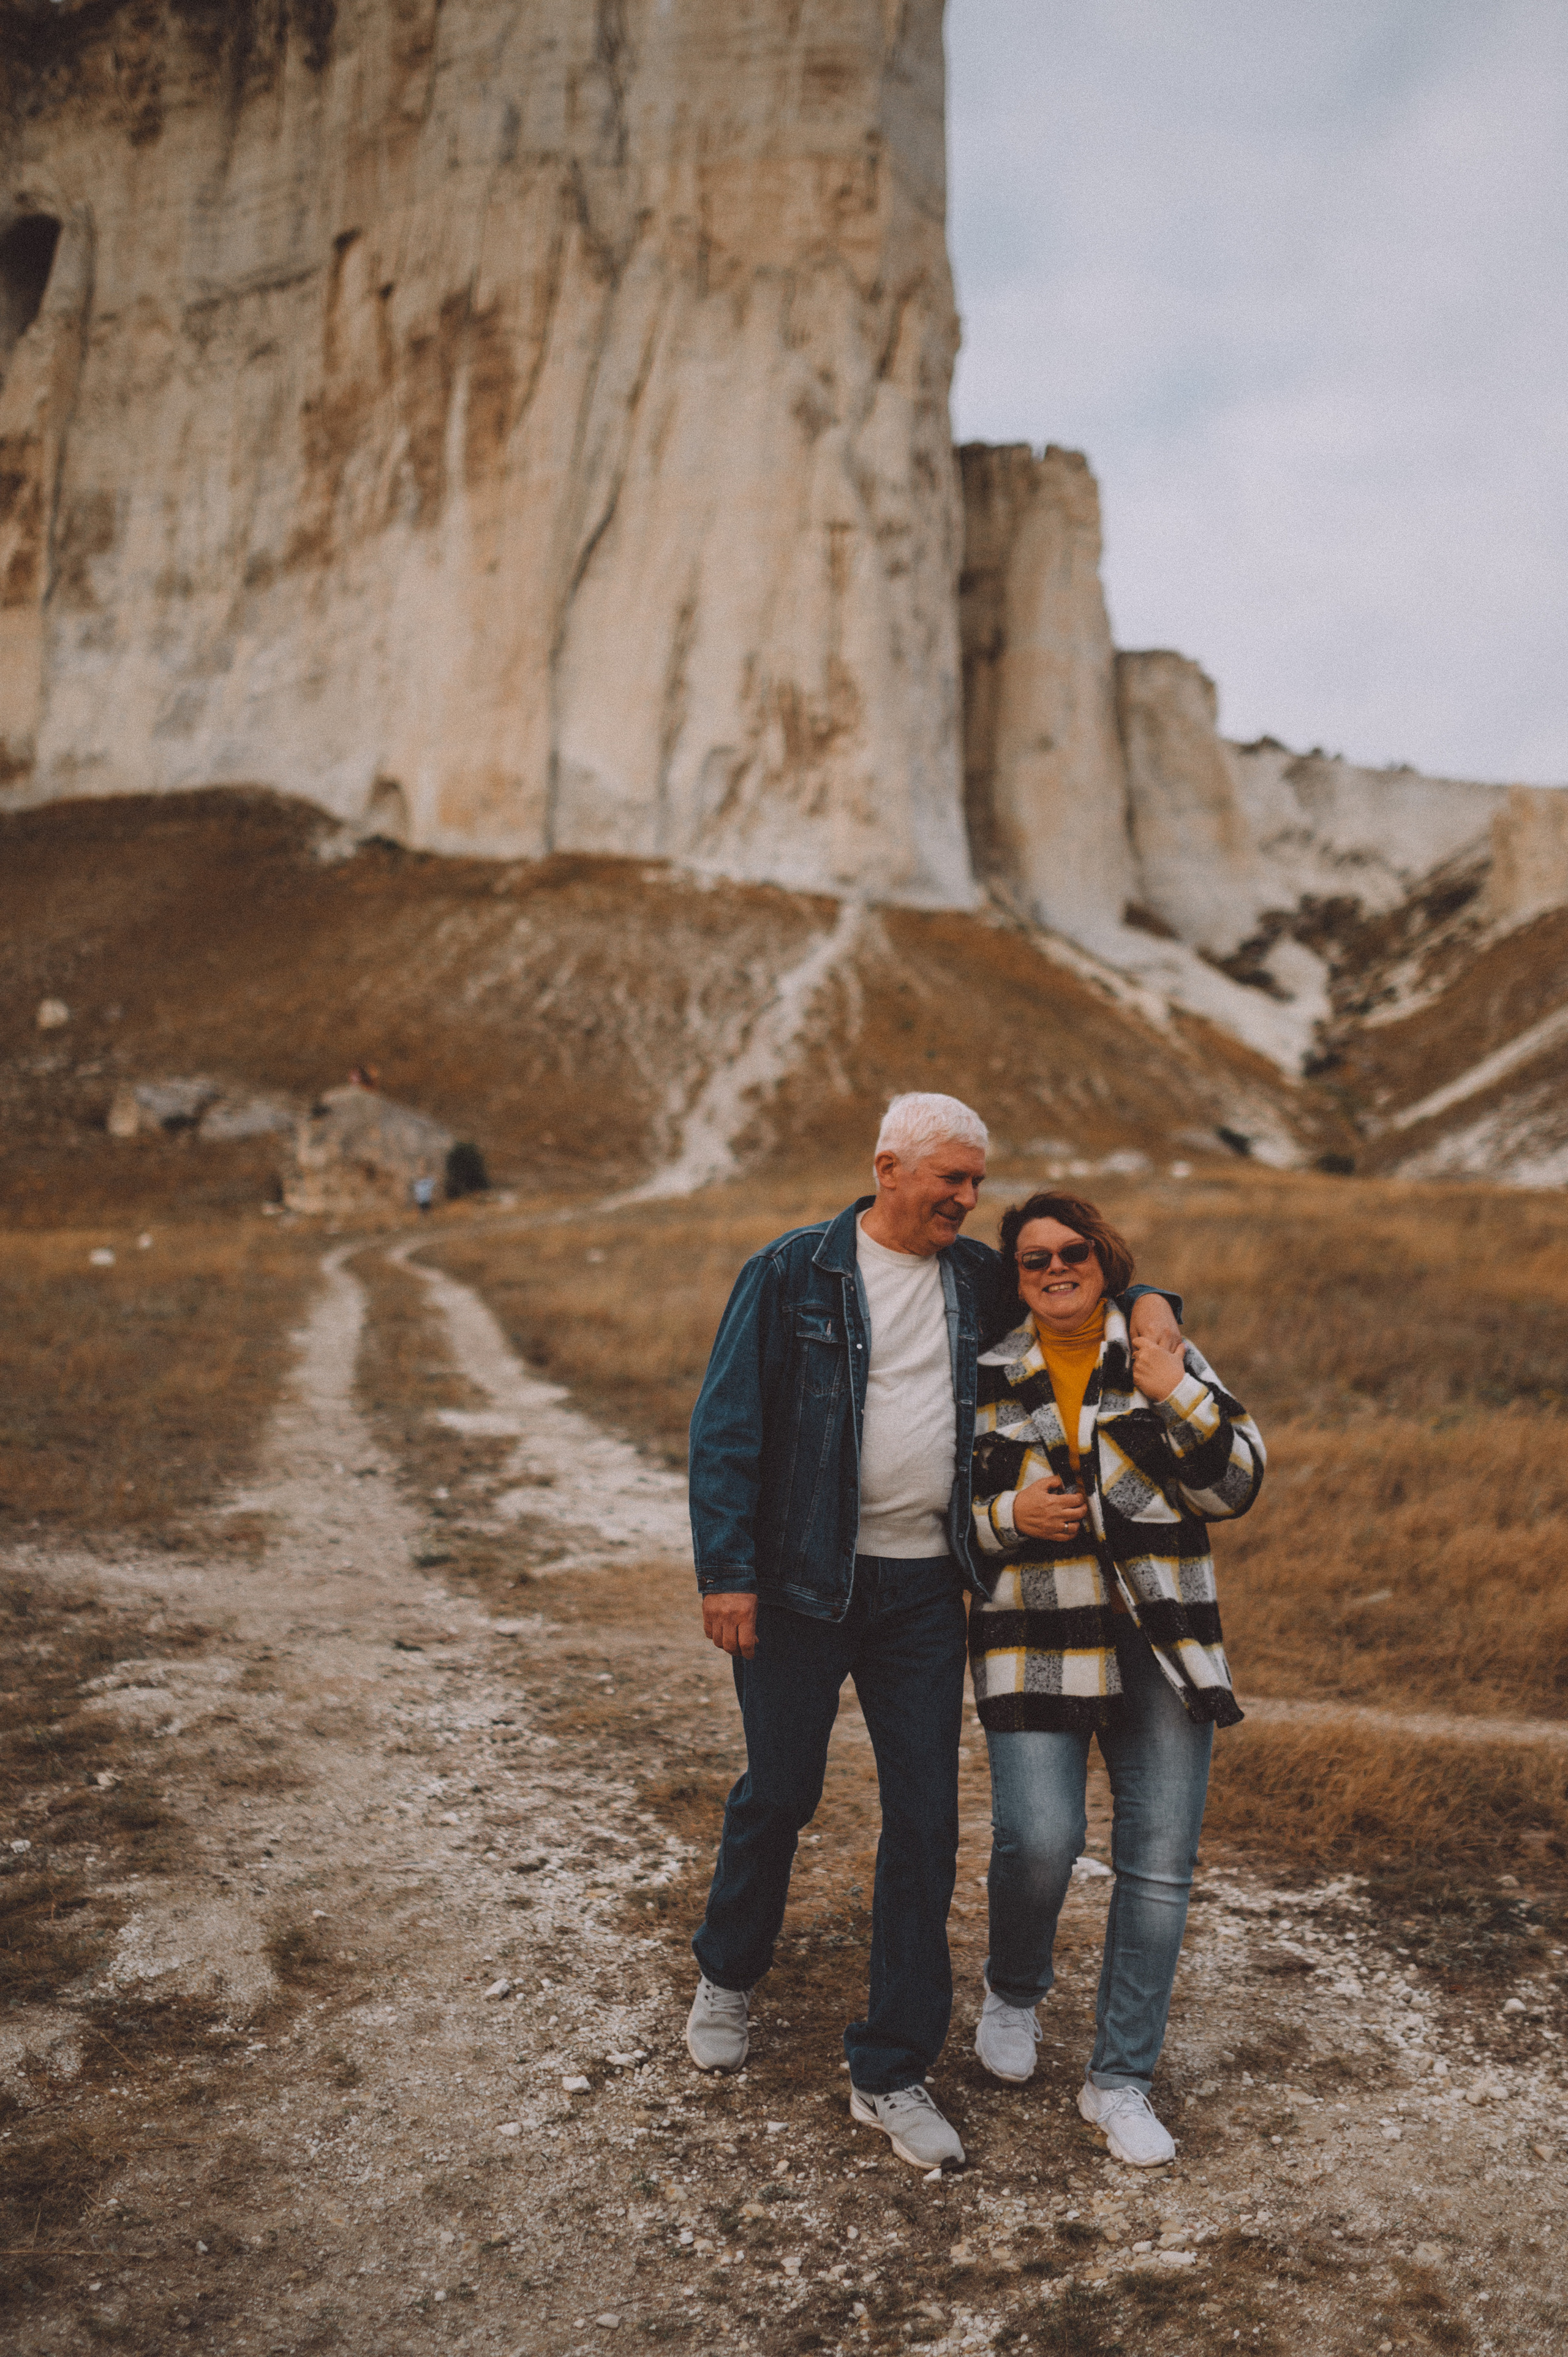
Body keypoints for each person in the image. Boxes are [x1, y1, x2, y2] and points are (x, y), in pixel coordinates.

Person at [683, 1097, 1185, 2171]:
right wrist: (726, 1574)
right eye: (951, 1179)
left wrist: (1153, 1303)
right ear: (887, 1167)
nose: (969, 1199)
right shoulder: (792, 1272)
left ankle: (892, 2068)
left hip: (922, 1593)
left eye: (976, 1182)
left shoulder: (973, 1277)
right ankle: (727, 1972)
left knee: (923, 1820)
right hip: (796, 1585)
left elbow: (1084, 1280)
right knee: (781, 1790)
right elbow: (727, 1426)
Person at [967, 1191, 1264, 2166]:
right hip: (1033, 1634)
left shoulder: (1161, 1352)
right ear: (1013, 1278)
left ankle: (1119, 2081)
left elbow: (1236, 1486)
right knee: (1040, 1839)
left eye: (1074, 1250)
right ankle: (1013, 1990)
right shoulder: (987, 1376)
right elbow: (944, 1519)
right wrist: (1011, 1516)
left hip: (1162, 1640)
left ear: (1106, 1256)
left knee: (1158, 1872)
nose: (1055, 1267)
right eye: (1032, 1258)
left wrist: (1175, 1384)